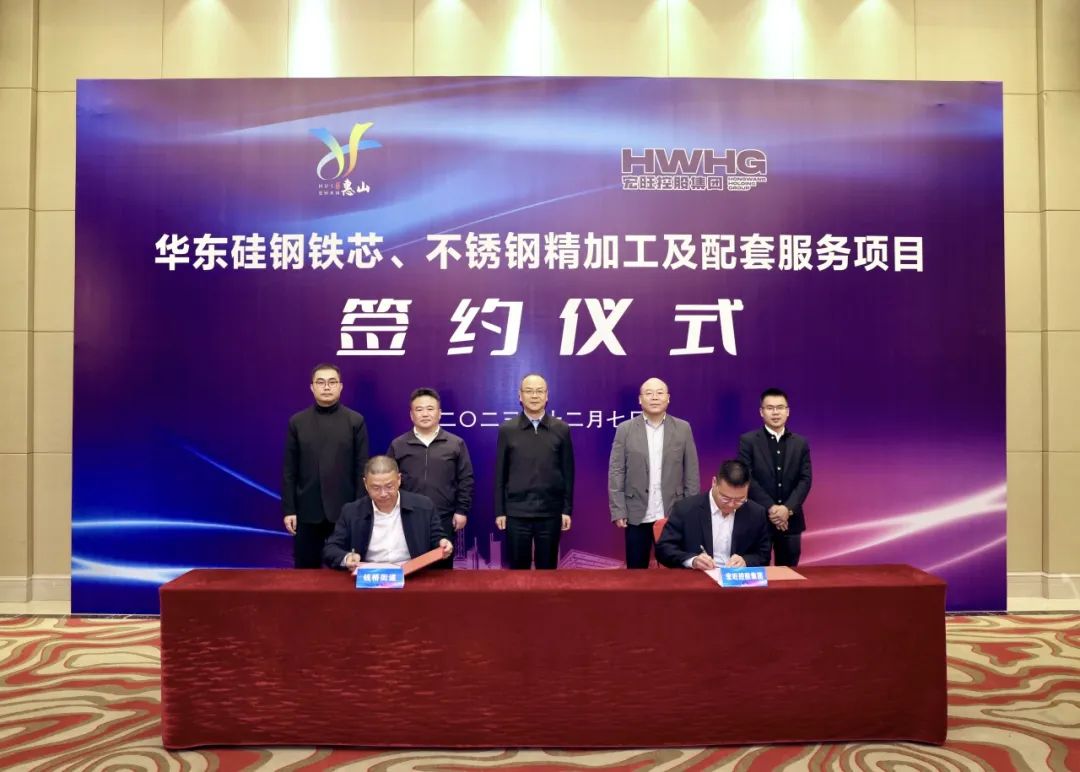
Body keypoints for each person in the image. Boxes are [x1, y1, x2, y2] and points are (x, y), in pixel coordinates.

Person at [281, 363, 369, 568]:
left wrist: (358, 510)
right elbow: (289, 470)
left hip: (345, 512)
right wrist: (289, 509)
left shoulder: (355, 421)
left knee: (344, 572)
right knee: (306, 573)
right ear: (312, 387)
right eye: (321, 382)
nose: (327, 387)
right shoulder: (298, 422)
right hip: (306, 511)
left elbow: (362, 469)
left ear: (341, 387)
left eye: (332, 382)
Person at [608, 377, 700, 568]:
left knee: (675, 570)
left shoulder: (683, 428)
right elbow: (616, 471)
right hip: (636, 513)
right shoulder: (625, 429)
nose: (655, 397)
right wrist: (618, 509)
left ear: (668, 398)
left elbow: (691, 471)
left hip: (672, 511)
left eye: (660, 393)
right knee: (636, 570)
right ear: (640, 399)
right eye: (649, 393)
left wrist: (689, 510)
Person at [494, 374, 574, 569]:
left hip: (551, 512)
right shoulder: (507, 429)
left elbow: (568, 473)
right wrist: (500, 511)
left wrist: (566, 510)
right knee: (518, 571)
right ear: (520, 396)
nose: (534, 395)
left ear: (547, 396)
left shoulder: (561, 429)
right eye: (529, 391)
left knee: (547, 570)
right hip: (516, 512)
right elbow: (500, 474)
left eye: (539, 391)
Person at [387, 387, 474, 569]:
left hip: (443, 516)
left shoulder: (455, 443)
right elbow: (388, 480)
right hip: (407, 515)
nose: (425, 414)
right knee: (410, 569)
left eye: (430, 409)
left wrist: (461, 510)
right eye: (419, 409)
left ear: (439, 413)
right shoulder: (398, 444)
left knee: (442, 570)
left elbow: (465, 479)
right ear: (411, 415)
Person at [323, 456, 453, 570]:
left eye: (389, 486)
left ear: (399, 479)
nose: (383, 494)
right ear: (365, 484)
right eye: (376, 488)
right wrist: (347, 558)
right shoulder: (352, 511)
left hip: (411, 574)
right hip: (370, 576)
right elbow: (331, 548)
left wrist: (442, 543)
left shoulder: (423, 506)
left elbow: (437, 538)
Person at [737, 388, 812, 567]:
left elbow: (805, 479)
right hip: (757, 519)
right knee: (756, 574)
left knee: (788, 574)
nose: (775, 412)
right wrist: (771, 508)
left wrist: (787, 509)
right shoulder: (748, 441)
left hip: (790, 522)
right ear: (761, 412)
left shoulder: (800, 443)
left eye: (780, 407)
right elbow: (747, 478)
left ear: (788, 411)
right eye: (770, 408)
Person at [656, 459, 771, 569]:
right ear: (714, 482)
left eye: (740, 500)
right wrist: (692, 561)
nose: (731, 505)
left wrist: (745, 561)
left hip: (736, 578)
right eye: (725, 498)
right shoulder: (686, 509)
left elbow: (764, 554)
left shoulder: (756, 513)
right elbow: (664, 549)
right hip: (699, 577)